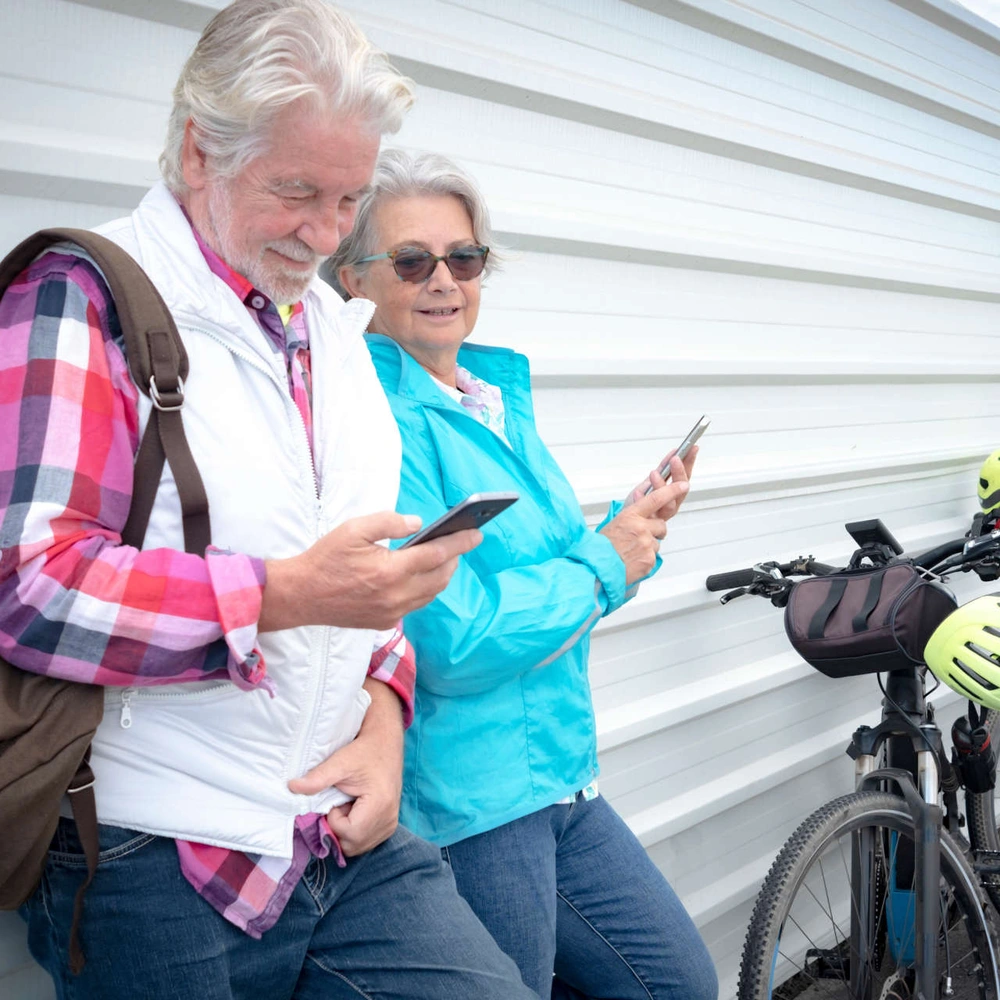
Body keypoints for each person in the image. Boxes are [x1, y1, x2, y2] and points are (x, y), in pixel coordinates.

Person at [0, 5, 539, 999]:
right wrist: (286, 594)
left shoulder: (327, 323)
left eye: (348, 198)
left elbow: (358, 584)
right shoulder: (82, 295)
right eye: (298, 191)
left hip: (334, 835)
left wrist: (383, 717)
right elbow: (29, 589)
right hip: (153, 854)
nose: (328, 232)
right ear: (200, 149)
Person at [333, 148, 719, 1000]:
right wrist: (602, 565)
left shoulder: (488, 396)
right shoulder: (375, 424)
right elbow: (452, 640)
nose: (444, 280)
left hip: (560, 773)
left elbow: (559, 568)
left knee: (677, 983)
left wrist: (629, 537)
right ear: (352, 280)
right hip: (472, 803)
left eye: (463, 258)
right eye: (411, 260)